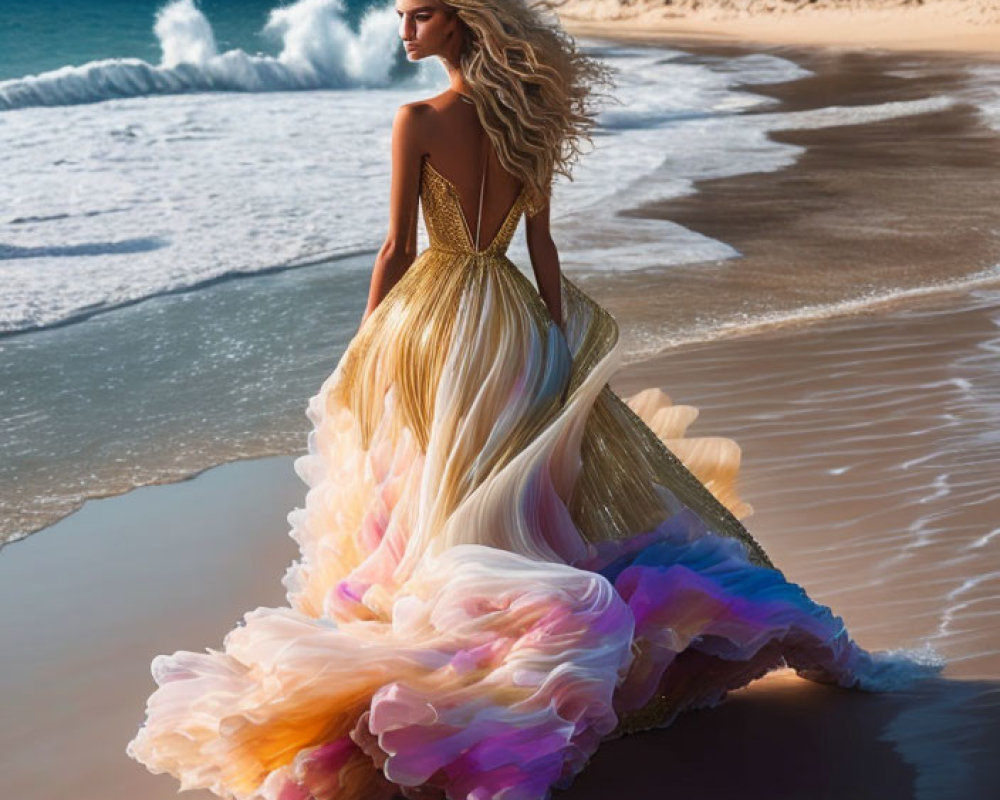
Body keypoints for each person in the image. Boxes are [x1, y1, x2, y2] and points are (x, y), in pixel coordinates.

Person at [126, 1, 944, 797]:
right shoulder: (531, 122)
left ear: (460, 21)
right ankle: (549, 641)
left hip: (437, 321)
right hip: (513, 315)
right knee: (523, 485)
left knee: (444, 481)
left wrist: (364, 342)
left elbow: (397, 248)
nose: (402, 29)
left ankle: (475, 644)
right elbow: (541, 243)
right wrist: (554, 335)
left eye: (417, 15)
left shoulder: (418, 118)